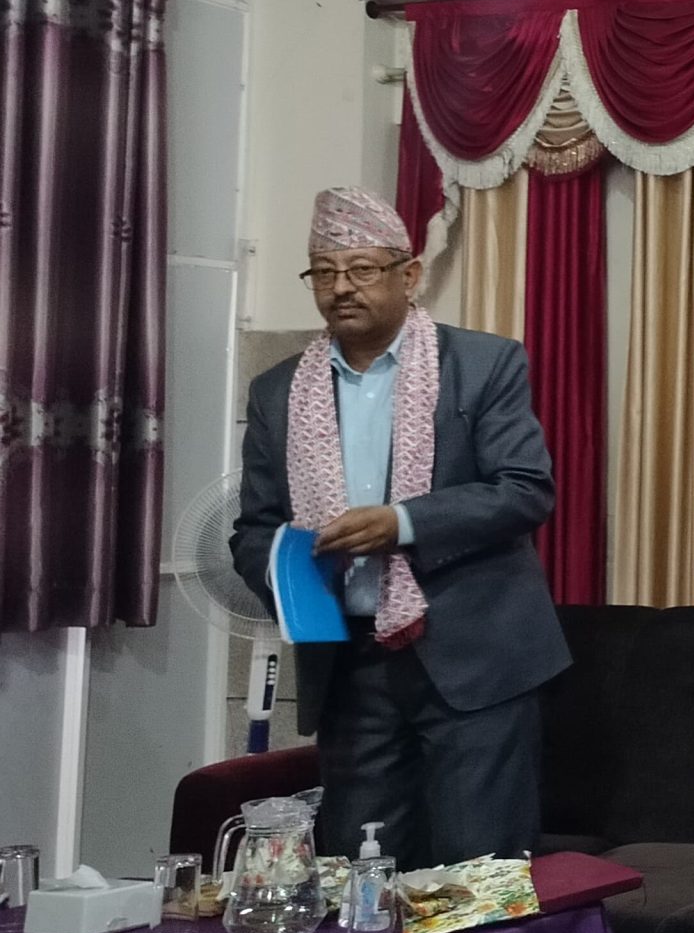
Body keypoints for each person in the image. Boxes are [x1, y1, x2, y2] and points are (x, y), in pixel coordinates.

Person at [231, 186, 566, 867]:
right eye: (324, 272)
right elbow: (254, 529)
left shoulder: (483, 365)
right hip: (350, 664)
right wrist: (293, 573)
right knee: (361, 869)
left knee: (479, 872)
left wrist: (402, 523)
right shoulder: (277, 392)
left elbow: (525, 489)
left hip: (472, 657)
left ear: (409, 275)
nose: (340, 288)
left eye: (361, 269)